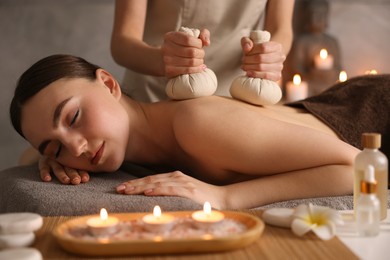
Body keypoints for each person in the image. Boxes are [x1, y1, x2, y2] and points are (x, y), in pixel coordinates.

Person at [10, 55, 389, 209]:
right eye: (56, 146)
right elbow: (30, 157)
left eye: (74, 117)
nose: (75, 146)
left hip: (373, 113)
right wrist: (51, 160)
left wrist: (226, 198)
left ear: (109, 84)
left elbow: (361, 169)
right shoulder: (127, 150)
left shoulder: (196, 123)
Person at [111, 0, 295, 102]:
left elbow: (282, 29)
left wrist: (270, 54)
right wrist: (162, 60)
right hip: (155, 95)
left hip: (235, 98)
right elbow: (122, 42)